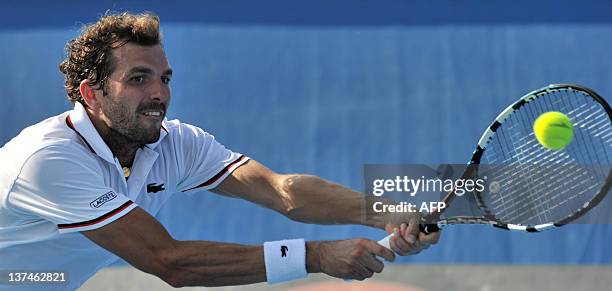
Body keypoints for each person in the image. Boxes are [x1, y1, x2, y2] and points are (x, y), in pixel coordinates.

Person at [0, 12, 439, 289]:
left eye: (165, 78)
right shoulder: (49, 160)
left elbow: (282, 191)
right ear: (90, 95)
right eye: (137, 79)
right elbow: (169, 262)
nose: (158, 94)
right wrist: (317, 256)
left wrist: (386, 212)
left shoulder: (175, 142)